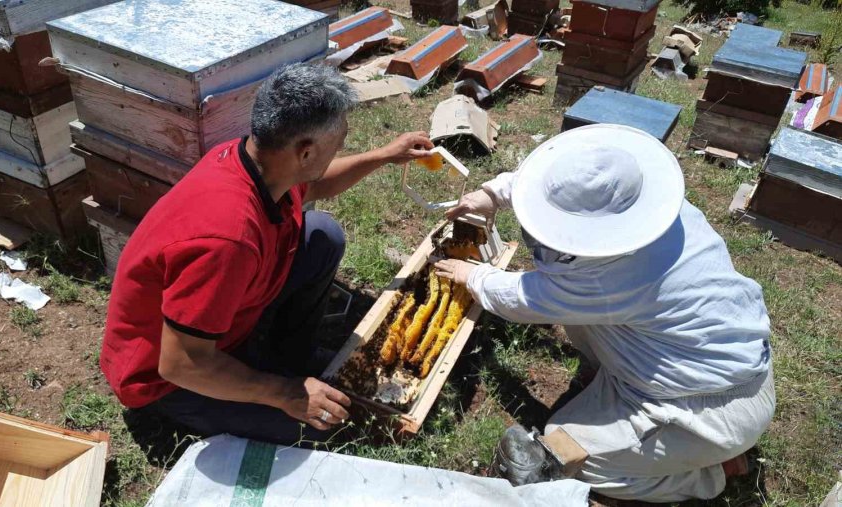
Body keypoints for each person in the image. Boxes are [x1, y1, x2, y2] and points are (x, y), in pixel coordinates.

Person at [435, 124, 774, 502]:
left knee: (574, 459)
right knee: (583, 322)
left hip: (708, 407)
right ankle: (624, 397)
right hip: (706, 359)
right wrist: (493, 194)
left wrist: (473, 275)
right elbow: (564, 185)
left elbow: (524, 298)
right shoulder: (655, 207)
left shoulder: (606, 278)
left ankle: (710, 472)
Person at [100, 63, 434, 445]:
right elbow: (181, 364)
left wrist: (385, 155)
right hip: (167, 377)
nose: (340, 148)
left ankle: (285, 358)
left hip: (214, 327)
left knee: (322, 235)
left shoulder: (256, 159)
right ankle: (269, 379)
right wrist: (285, 394)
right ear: (305, 152)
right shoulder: (228, 240)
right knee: (322, 425)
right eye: (337, 144)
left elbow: (314, 185)